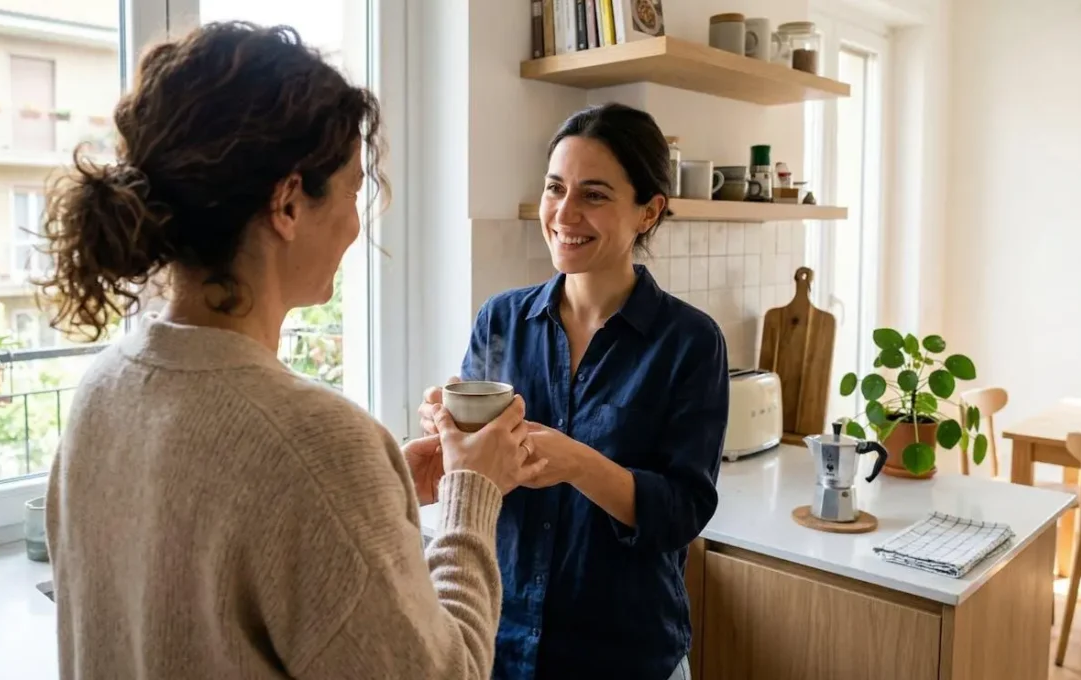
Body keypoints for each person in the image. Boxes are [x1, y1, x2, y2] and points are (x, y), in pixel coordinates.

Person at [40, 22, 546, 680]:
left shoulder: (101, 392)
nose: (355, 223)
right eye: (352, 191)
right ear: (286, 203)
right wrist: (472, 496)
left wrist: (379, 485)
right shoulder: (317, 445)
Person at [419, 103, 730, 680]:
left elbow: (683, 511)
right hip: (500, 646)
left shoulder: (690, 342)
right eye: (554, 188)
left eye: (594, 195)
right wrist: (449, 432)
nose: (564, 213)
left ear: (648, 211)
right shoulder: (502, 320)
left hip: (626, 656)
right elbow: (483, 470)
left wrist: (575, 463)